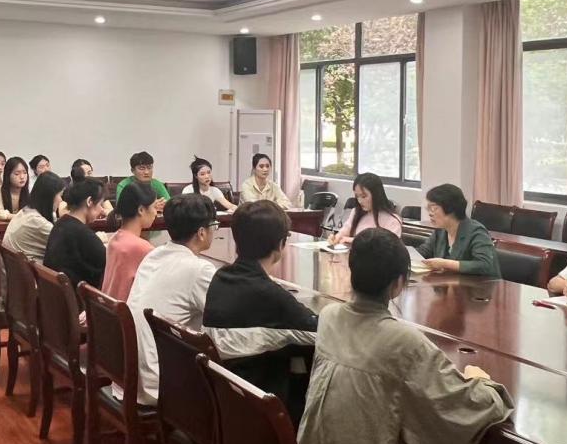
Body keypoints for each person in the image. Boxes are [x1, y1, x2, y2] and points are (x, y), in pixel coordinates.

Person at [298, 229, 513, 444]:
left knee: (424, 424)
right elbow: (459, 408)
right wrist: (486, 387)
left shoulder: (330, 317)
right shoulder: (404, 341)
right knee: (441, 439)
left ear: (351, 271)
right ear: (399, 284)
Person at [203, 200, 318, 419]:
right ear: (280, 245)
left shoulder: (221, 277)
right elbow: (319, 331)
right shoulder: (268, 294)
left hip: (226, 398)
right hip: (258, 409)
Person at [126, 194, 220, 405]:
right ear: (201, 232)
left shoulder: (154, 255)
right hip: (163, 382)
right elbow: (225, 319)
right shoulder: (198, 269)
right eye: (214, 226)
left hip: (132, 374)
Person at [416, 184, 500, 277]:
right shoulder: (440, 231)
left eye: (433, 208)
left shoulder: (476, 231)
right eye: (428, 208)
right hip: (450, 283)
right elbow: (422, 252)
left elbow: (484, 265)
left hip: (481, 284)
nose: (430, 213)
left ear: (450, 208)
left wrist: (445, 264)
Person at [44, 178, 108, 288]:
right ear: (89, 202)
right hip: (78, 296)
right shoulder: (83, 234)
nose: (102, 210)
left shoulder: (61, 224)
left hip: (56, 292)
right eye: (100, 204)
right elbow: (108, 264)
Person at [101, 182, 158, 301]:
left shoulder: (114, 239)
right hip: (126, 310)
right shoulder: (143, 248)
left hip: (107, 308)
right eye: (154, 207)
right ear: (141, 210)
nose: (155, 213)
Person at [1, 172, 62, 263]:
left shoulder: (25, 211)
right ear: (49, 197)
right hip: (23, 270)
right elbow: (65, 245)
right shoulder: (37, 222)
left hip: (12, 269)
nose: (61, 200)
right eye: (60, 195)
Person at [333, 172, 402, 245]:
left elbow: (386, 247)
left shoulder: (392, 220)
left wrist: (353, 240)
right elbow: (346, 229)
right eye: (357, 196)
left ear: (376, 195)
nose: (359, 201)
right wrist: (337, 237)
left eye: (363, 196)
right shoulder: (356, 212)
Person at [0, 156, 31, 222]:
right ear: (8, 175)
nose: (22, 177)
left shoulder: (31, 191)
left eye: (25, 173)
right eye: (17, 174)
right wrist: (20, 217)